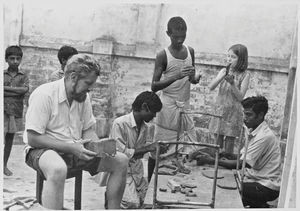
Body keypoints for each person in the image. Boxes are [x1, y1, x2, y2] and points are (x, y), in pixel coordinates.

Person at [23, 54, 128, 209]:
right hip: (41, 150)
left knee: (121, 161)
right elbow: (33, 138)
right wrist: (71, 148)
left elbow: (88, 129)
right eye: (88, 83)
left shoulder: (82, 97)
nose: (90, 89)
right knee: (57, 169)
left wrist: (97, 145)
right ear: (73, 77)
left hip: (75, 149)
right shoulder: (44, 94)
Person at [199, 96, 281, 208]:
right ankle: (257, 204)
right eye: (244, 114)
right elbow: (243, 157)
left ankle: (259, 205)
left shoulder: (264, 136)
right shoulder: (253, 130)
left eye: (249, 115)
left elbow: (242, 163)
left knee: (226, 190)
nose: (245, 118)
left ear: (260, 115)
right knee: (226, 182)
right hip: (255, 179)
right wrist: (226, 154)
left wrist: (211, 160)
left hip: (266, 186)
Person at [149, 16, 201, 182]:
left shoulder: (190, 51)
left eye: (183, 36)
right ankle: (150, 181)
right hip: (167, 105)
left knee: (185, 144)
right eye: (176, 37)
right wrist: (176, 76)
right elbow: (154, 86)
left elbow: (191, 79)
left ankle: (171, 181)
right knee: (161, 146)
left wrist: (195, 78)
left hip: (184, 103)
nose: (180, 40)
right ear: (168, 34)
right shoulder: (163, 55)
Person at [109, 91, 164, 208]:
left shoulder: (145, 127)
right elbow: (119, 155)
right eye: (153, 112)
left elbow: (138, 154)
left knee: (150, 202)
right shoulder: (119, 123)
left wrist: (153, 149)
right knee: (131, 204)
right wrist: (148, 148)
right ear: (144, 107)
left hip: (137, 171)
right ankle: (110, 195)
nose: (154, 116)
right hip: (122, 172)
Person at [208, 44, 250, 154]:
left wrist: (232, 84)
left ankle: (225, 162)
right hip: (220, 109)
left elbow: (241, 97)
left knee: (230, 141)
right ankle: (214, 161)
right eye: (228, 56)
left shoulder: (245, 75)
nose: (229, 59)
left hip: (233, 112)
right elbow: (211, 87)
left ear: (241, 59)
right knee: (217, 139)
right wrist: (221, 77)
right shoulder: (223, 71)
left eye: (233, 57)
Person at [3, 45, 29, 176]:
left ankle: (4, 165)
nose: (15, 61)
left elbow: (24, 90)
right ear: (6, 59)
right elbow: (19, 91)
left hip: (15, 112)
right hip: (3, 112)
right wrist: (16, 92)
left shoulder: (23, 76)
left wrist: (5, 89)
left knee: (9, 140)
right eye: (12, 58)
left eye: (18, 59)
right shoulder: (3, 74)